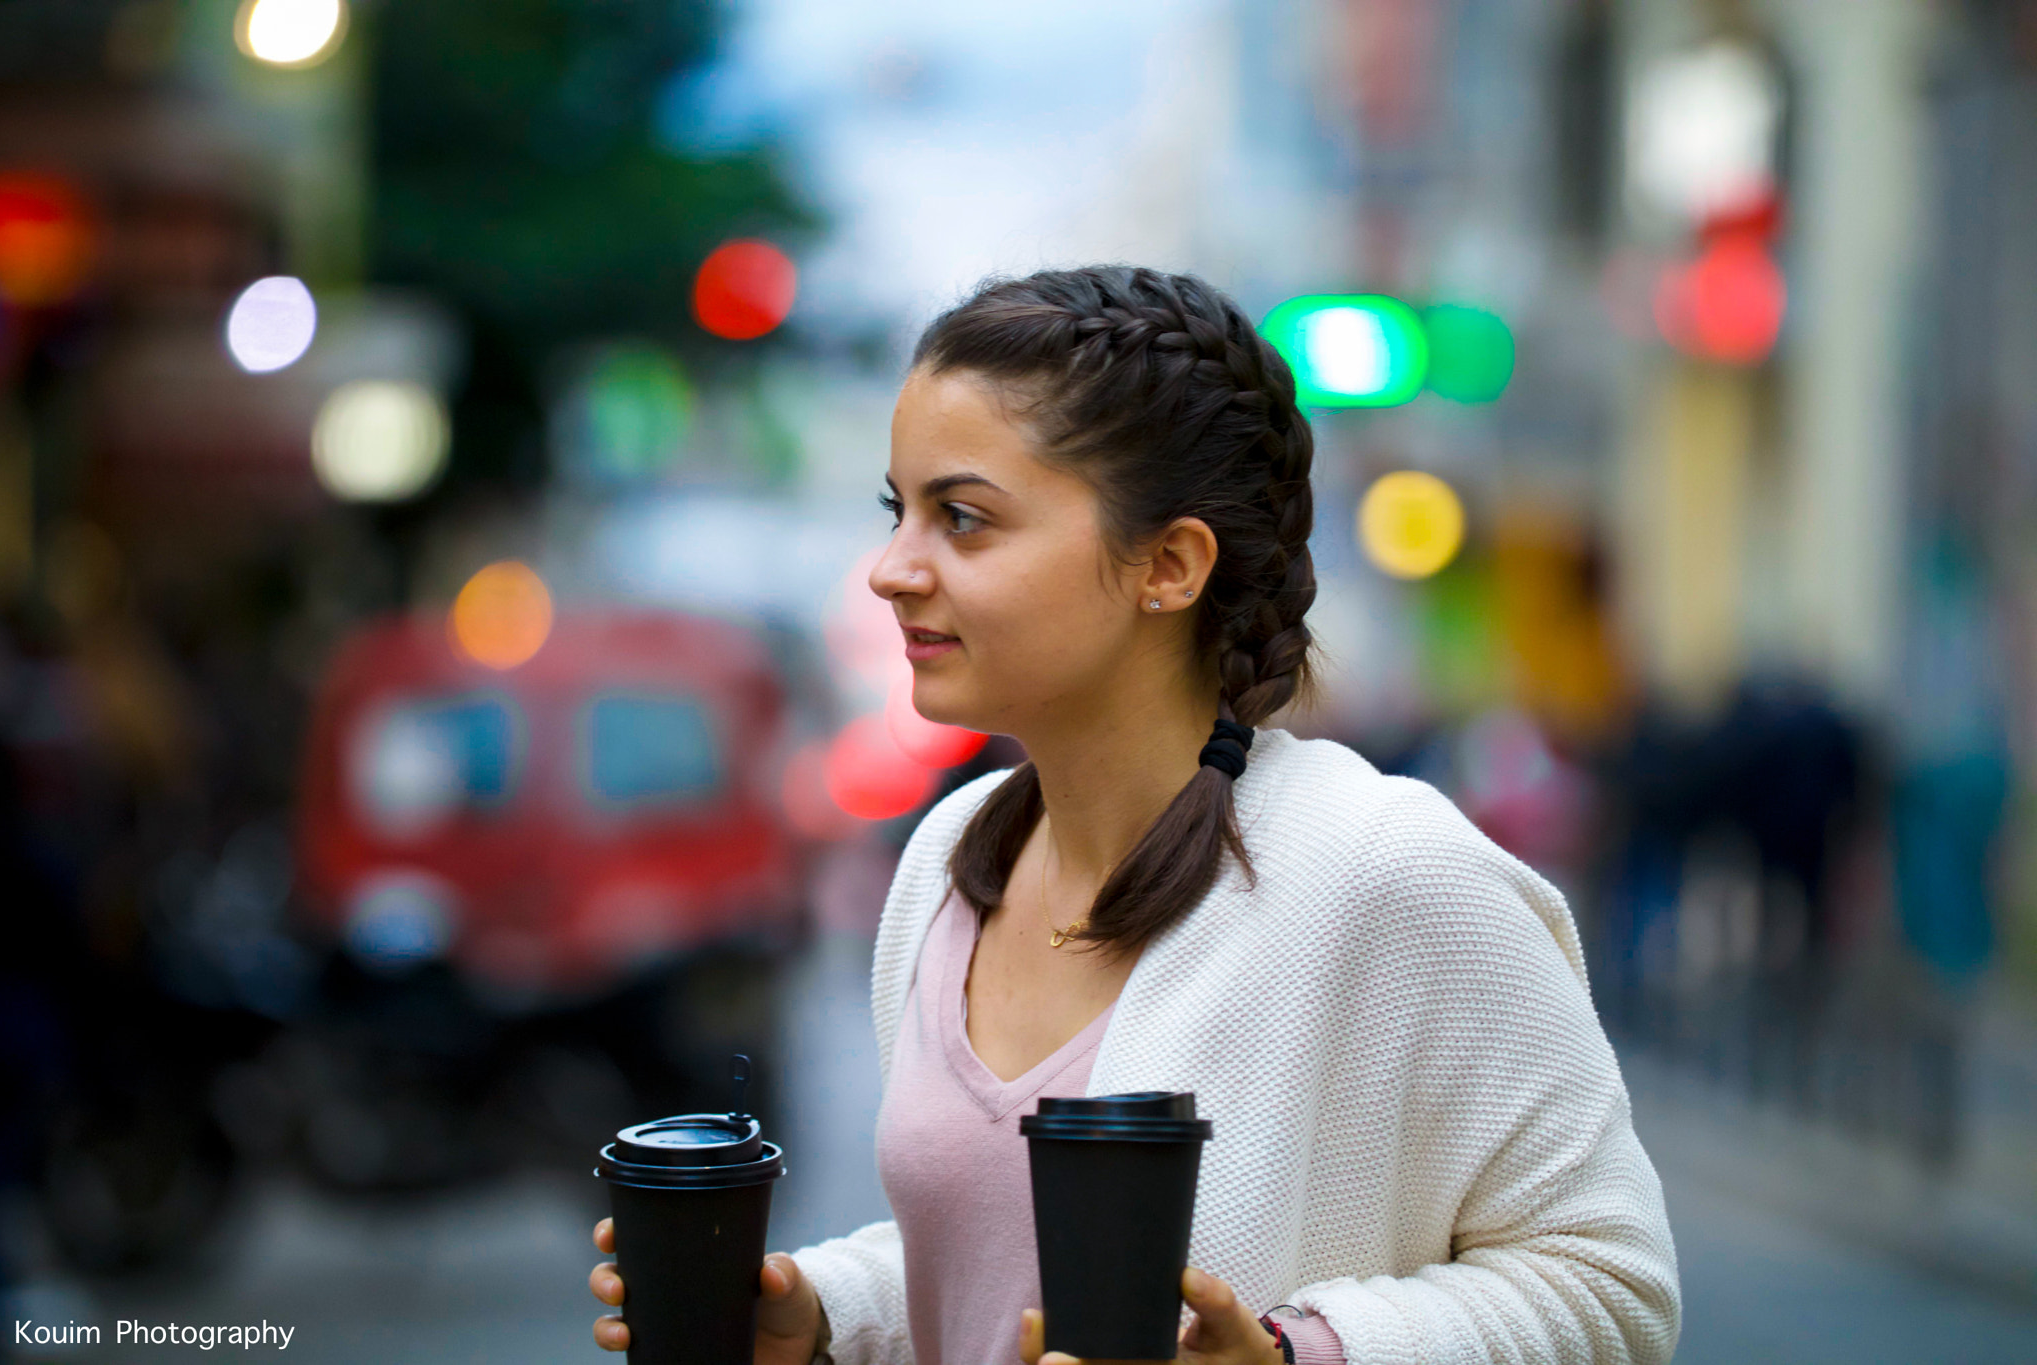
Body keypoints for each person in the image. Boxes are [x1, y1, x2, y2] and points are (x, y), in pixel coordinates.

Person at [589, 266, 1680, 1365]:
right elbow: (999, 1253)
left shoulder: (1386, 870)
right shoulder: (947, 860)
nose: (889, 570)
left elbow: (1608, 1287)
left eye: (962, 518)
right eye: (897, 511)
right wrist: (822, 1310)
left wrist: (1299, 1352)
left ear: (1168, 564)